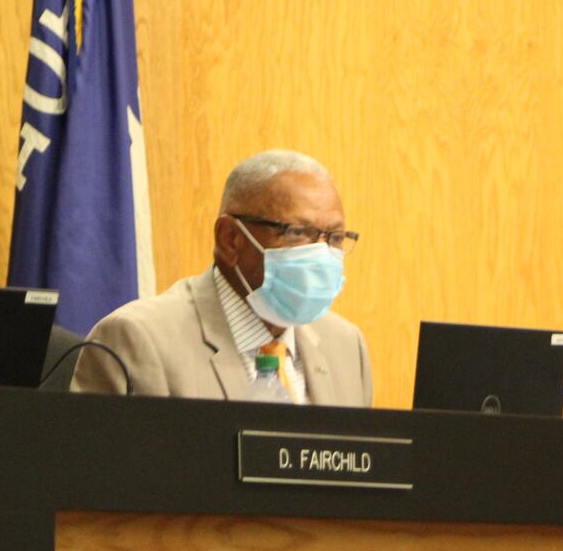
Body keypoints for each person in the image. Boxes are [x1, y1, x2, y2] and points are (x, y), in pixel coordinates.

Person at [73, 149, 372, 405]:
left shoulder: (346, 346)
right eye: (297, 233)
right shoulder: (138, 340)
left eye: (334, 237)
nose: (320, 254)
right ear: (230, 239)